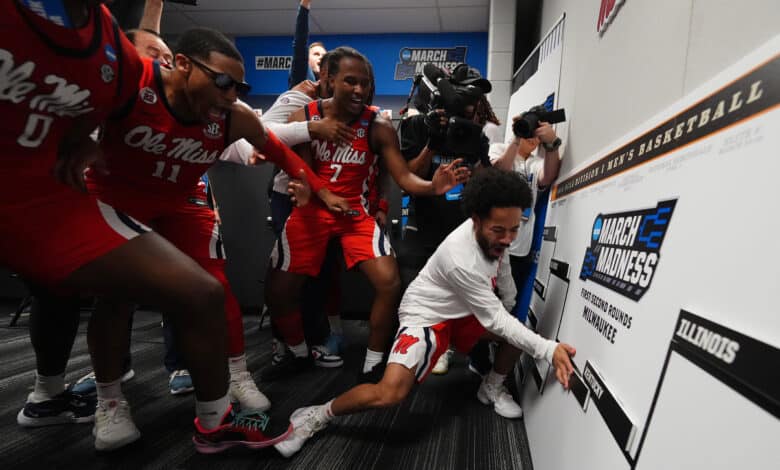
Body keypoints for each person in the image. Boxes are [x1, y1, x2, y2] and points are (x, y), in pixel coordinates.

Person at [3, 0, 293, 455]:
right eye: (151, 57)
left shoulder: (107, 43)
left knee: (203, 291)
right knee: (92, 299)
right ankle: (77, 394)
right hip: (99, 198)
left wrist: (82, 136)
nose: (154, 63)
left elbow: (262, 140)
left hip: (60, 202)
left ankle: (212, 413)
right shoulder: (126, 73)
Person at [272, 167, 577, 457]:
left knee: (516, 332)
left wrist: (511, 306)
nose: (508, 238)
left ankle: (491, 388)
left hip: (462, 312)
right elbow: (495, 317)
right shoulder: (462, 257)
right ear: (475, 220)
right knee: (389, 393)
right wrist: (549, 349)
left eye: (514, 228)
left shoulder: (497, 238)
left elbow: (505, 278)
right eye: (499, 230)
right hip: (426, 317)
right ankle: (317, 414)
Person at [263, 47, 469, 382]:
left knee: (389, 282)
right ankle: (299, 353)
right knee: (278, 290)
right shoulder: (305, 116)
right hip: (313, 211)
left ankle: (373, 363)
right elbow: (300, 167)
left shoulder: (378, 124)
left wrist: (433, 186)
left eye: (366, 83)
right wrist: (306, 190)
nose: (359, 89)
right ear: (329, 79)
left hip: (354, 213)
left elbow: (402, 177)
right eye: (350, 81)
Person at [489, 109, 562, 321]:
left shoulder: (535, 163)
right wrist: (517, 136)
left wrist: (551, 143)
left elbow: (547, 177)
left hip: (520, 251)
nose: (532, 137)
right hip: (494, 244)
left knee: (507, 310)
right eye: (529, 129)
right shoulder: (499, 148)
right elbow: (500, 169)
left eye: (536, 132)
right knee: (484, 305)